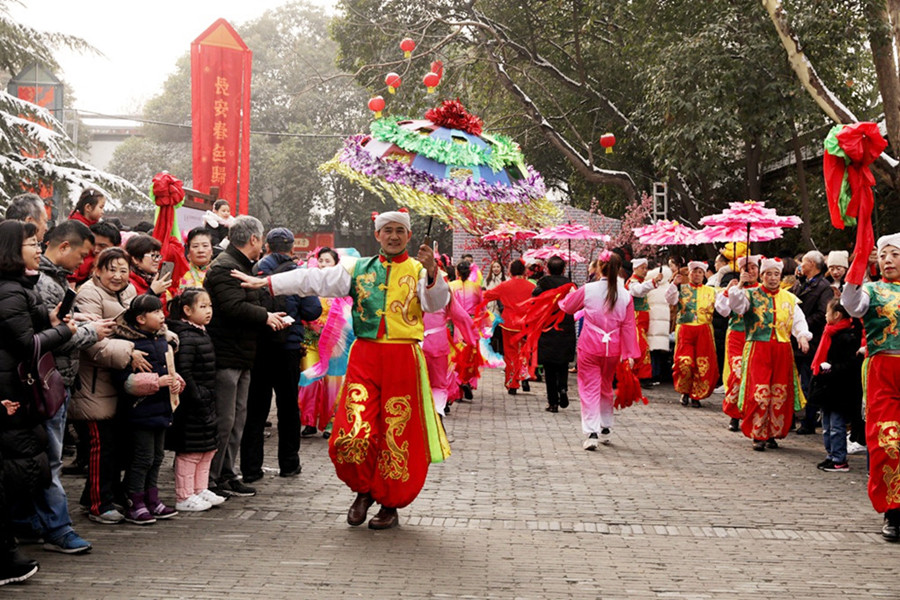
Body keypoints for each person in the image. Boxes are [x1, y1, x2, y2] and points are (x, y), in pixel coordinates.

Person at [231, 209, 450, 530]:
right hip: (365, 357)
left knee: (397, 433)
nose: (392, 236)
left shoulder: (420, 270)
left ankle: (389, 502)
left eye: (399, 231)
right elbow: (312, 279)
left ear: (408, 235)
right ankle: (363, 490)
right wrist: (266, 282)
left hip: (404, 359)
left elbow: (435, 304)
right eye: (386, 230)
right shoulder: (358, 269)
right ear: (377, 235)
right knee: (351, 431)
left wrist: (433, 275)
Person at [25, 221, 116, 554]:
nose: (86, 263)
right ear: (63, 247)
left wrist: (86, 325)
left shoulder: (53, 281)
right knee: (49, 460)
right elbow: (53, 337)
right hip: (48, 381)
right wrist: (92, 332)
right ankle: (56, 527)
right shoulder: (43, 285)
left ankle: (34, 522)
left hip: (55, 380)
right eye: (83, 254)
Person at [0, 220, 75, 584]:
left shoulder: (17, 289)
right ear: (12, 249)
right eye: (32, 243)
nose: (38, 249)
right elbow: (26, 345)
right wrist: (62, 331)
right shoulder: (9, 291)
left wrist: (52, 322)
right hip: (8, 396)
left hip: (15, 393)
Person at [203, 216, 286, 498]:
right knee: (224, 421)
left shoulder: (242, 266)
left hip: (242, 354)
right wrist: (266, 316)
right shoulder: (225, 267)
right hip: (226, 354)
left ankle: (227, 473)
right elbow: (232, 307)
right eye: (261, 239)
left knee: (238, 419)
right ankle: (211, 478)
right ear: (253, 239)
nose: (261, 244)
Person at [241, 228, 321, 482]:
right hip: (288, 348)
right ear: (291, 248)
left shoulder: (254, 270)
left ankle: (251, 469)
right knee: (288, 408)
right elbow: (312, 311)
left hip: (259, 347)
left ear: (267, 246)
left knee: (256, 409)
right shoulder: (299, 273)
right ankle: (289, 463)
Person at [71, 247, 141, 524]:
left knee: (119, 445)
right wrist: (131, 352)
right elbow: (93, 344)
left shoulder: (130, 292)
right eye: (111, 269)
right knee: (102, 447)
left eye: (123, 270)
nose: (118, 275)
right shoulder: (88, 294)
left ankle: (100, 495)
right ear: (97, 270)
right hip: (94, 385)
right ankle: (99, 505)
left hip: (120, 383)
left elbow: (139, 326)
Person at [841, 233, 900, 540]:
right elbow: (850, 304)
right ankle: (893, 511)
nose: (888, 260)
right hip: (884, 372)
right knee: (887, 442)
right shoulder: (872, 290)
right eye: (884, 254)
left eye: (895, 254)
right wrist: (857, 268)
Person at [727, 257, 812, 451]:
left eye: (776, 274)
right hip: (758, 347)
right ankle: (758, 432)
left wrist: (802, 336)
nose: (773, 278)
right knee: (759, 392)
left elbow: (798, 320)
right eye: (768, 274)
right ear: (762, 275)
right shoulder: (750, 294)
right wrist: (740, 283)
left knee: (778, 392)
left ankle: (773, 432)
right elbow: (737, 306)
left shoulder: (789, 298)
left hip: (782, 349)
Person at [113, 294, 184, 525]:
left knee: (157, 457)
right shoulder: (130, 346)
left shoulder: (162, 341)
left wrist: (176, 382)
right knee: (142, 458)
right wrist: (157, 382)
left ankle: (152, 499)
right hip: (140, 411)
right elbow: (127, 382)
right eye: (156, 312)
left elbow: (169, 370)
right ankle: (135, 500)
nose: (162, 316)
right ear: (141, 319)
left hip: (162, 409)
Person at [559, 252, 639, 449]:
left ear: (599, 267)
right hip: (613, 347)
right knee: (605, 387)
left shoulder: (589, 289)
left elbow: (568, 308)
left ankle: (592, 431)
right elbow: (629, 326)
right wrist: (629, 354)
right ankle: (605, 426)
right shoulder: (626, 295)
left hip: (589, 345)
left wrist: (568, 295)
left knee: (589, 388)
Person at [165, 289, 226, 512]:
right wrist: (197, 395)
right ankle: (184, 495)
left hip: (206, 400)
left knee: (207, 449)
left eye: (209, 306)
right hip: (193, 404)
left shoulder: (201, 333)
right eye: (203, 307)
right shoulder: (187, 336)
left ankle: (200, 489)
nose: (208, 311)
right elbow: (185, 371)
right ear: (187, 310)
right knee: (190, 452)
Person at [299, 247, 353, 439]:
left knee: (333, 383)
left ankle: (332, 422)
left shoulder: (343, 289)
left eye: (327, 261)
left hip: (334, 343)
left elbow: (349, 317)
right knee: (309, 382)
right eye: (320, 260)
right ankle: (309, 421)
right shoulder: (309, 286)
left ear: (336, 264)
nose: (322, 264)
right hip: (311, 341)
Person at [808, 298, 863, 473]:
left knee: (836, 425)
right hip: (827, 386)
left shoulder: (847, 336)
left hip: (840, 388)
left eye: (828, 311)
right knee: (827, 424)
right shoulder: (830, 333)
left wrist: (832, 368)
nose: (825, 315)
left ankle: (839, 458)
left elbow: (850, 364)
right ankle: (831, 455)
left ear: (837, 315)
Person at [715, 255, 760, 432]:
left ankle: (751, 414)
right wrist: (735, 287)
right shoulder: (734, 287)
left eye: (753, 267)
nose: (750, 271)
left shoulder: (763, 289)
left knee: (754, 377)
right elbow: (723, 310)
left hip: (756, 337)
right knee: (738, 374)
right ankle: (735, 414)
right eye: (745, 268)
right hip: (736, 336)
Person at [665, 260, 719, 407]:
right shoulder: (682, 289)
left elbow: (724, 308)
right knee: (685, 361)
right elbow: (670, 298)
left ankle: (697, 394)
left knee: (702, 363)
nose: (697, 275)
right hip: (685, 328)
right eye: (694, 272)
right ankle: (685, 391)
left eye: (700, 272)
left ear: (704, 275)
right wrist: (674, 284)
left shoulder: (711, 291)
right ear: (689, 274)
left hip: (704, 329)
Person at [793, 251, 834, 435]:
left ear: (811, 263)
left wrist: (802, 324)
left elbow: (822, 314)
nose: (801, 264)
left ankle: (809, 421)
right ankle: (790, 418)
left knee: (808, 383)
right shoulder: (802, 284)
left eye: (803, 262)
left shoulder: (823, 287)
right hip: (796, 341)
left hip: (812, 342)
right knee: (794, 381)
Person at [483, 260, 536, 394]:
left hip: (509, 324)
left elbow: (487, 296)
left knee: (510, 354)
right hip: (525, 323)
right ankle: (524, 377)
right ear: (524, 271)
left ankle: (512, 383)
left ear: (510, 271)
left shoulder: (504, 286)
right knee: (524, 352)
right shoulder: (531, 287)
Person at [532, 256, 576, 412]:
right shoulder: (570, 285)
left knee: (549, 367)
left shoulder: (542, 284)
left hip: (548, 327)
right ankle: (563, 388)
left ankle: (553, 402)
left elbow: (534, 300)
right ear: (564, 269)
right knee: (563, 363)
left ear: (547, 269)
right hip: (566, 327)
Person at [449, 261, 483, 400]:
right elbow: (482, 306)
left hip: (457, 323)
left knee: (457, 353)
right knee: (471, 353)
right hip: (472, 321)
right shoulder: (476, 287)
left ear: (457, 272)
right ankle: (468, 381)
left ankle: (458, 383)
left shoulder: (451, 286)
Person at [625, 258, 662, 384]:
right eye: (642, 268)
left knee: (642, 346)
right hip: (635, 320)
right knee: (641, 347)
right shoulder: (632, 282)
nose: (645, 271)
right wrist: (653, 281)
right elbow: (638, 291)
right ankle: (641, 375)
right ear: (635, 268)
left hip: (642, 320)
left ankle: (639, 374)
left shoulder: (640, 282)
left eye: (646, 268)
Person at [69, 222, 122, 287]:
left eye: (102, 246)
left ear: (116, 246)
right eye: (93, 244)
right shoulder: (78, 257)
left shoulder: (122, 265)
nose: (96, 250)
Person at [482, 259, 506, 355]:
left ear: (501, 268)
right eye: (494, 267)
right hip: (489, 310)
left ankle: (500, 352)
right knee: (489, 334)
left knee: (500, 333)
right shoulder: (487, 281)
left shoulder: (505, 280)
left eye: (498, 267)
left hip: (500, 311)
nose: (496, 269)